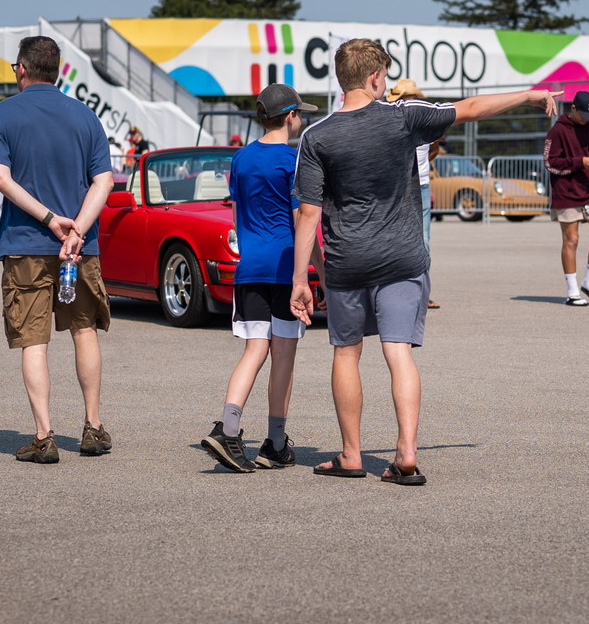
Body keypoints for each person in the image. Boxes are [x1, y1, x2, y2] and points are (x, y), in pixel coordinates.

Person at [291, 38, 555, 484]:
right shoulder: (405, 117)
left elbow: (309, 214)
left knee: (346, 354)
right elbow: (470, 108)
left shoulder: (316, 137)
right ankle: (407, 453)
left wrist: (302, 278)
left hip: (346, 263)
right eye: (386, 76)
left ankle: (351, 455)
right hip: (402, 258)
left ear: (341, 77)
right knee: (399, 354)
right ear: (376, 77)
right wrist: (529, 95)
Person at [0, 35, 116, 464]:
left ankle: (44, 436)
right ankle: (93, 428)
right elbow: (104, 181)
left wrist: (48, 220)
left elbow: (2, 179)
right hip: (79, 248)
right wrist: (77, 228)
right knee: (84, 330)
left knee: (33, 341)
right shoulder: (85, 116)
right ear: (56, 71)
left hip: (25, 244)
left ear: (21, 69)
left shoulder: (2, 116)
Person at [199, 82, 317, 473]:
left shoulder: (241, 159)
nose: (301, 118)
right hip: (284, 267)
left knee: (254, 350)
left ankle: (228, 429)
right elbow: (304, 219)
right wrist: (322, 271)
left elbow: (238, 213)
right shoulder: (293, 160)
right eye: (300, 112)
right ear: (289, 117)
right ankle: (276, 442)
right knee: (283, 353)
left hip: (248, 267)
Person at [545, 91, 589, 306]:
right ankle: (572, 290)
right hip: (567, 191)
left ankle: (588, 282)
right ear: (573, 108)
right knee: (571, 240)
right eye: (583, 114)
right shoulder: (558, 130)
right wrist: (579, 162)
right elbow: (550, 162)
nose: (587, 119)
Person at [385, 78, 439, 309]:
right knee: (394, 238)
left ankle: (422, 293)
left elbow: (434, 148)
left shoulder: (425, 121)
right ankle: (394, 291)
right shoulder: (392, 120)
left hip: (422, 185)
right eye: (410, 96)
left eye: (414, 96)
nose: (414, 100)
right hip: (397, 185)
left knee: (424, 241)